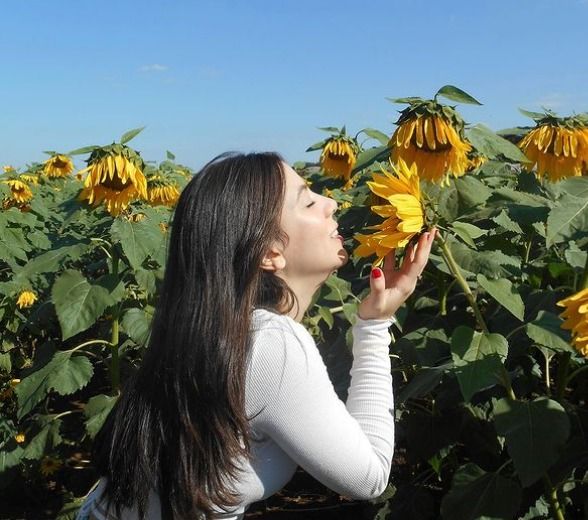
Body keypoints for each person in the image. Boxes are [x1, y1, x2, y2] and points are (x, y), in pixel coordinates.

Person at [77, 152, 435, 520]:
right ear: (269, 253)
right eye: (309, 201)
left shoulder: (216, 329)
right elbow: (369, 478)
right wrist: (375, 326)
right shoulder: (271, 343)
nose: (332, 202)